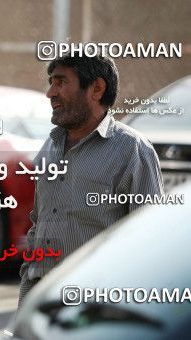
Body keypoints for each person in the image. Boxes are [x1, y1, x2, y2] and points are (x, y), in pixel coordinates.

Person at [18, 54, 163, 306]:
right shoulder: (50, 147)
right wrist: (26, 295)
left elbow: (149, 244)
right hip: (42, 302)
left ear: (96, 88)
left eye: (61, 82)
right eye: (51, 82)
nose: (50, 93)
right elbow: (38, 225)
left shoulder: (132, 151)